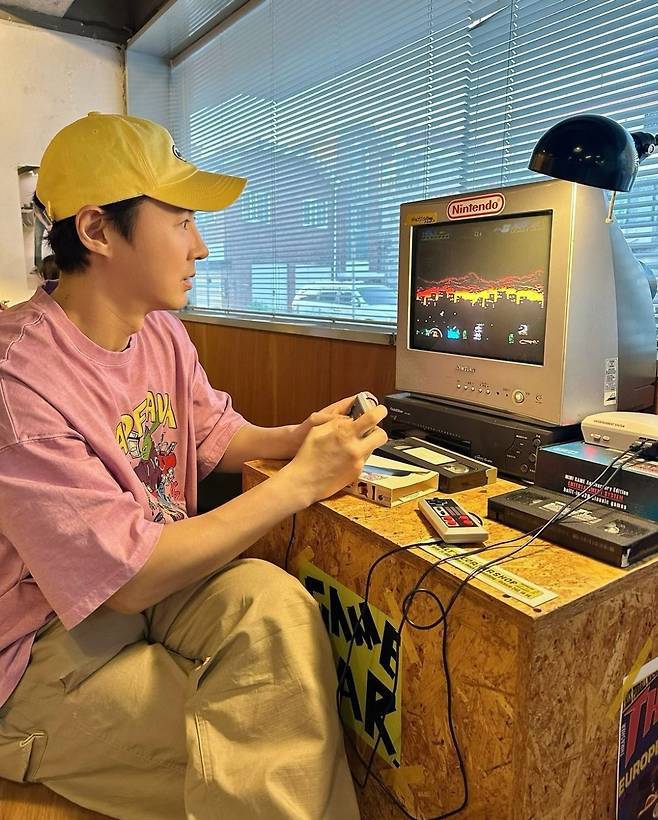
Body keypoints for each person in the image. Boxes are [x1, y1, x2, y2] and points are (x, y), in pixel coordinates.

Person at [0, 112, 388, 820]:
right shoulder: (17, 381)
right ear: (97, 230)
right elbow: (126, 579)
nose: (201, 246)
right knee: (266, 751)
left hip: (149, 586)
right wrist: (299, 483)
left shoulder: (161, 333)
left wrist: (298, 436)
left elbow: (211, 431)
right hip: (37, 646)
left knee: (278, 611)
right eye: (180, 221)